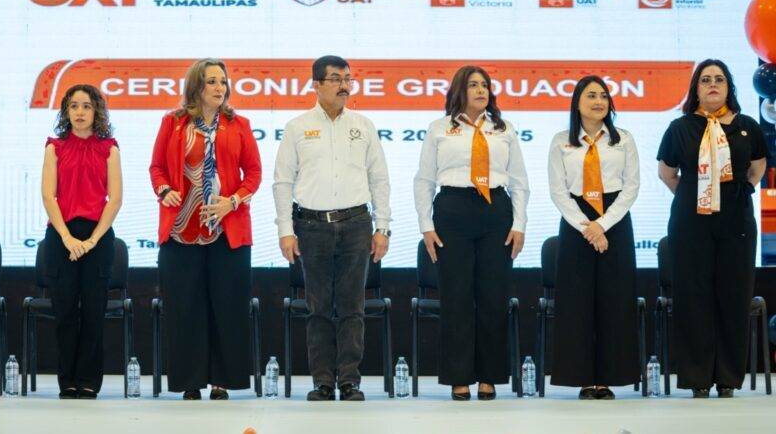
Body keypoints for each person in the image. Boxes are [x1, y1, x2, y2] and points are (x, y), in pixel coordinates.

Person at [273, 54, 391, 402]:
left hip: (356, 224)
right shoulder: (297, 127)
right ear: (317, 84)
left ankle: (350, 380)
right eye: (336, 78)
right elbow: (282, 182)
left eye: (348, 78)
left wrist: (382, 226)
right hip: (311, 226)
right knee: (319, 307)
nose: (344, 85)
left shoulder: (363, 125)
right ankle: (323, 380)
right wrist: (285, 229)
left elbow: (379, 178)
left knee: (353, 307)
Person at [413, 65, 529, 400]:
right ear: (459, 91)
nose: (481, 90)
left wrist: (519, 223)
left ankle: (490, 376)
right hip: (452, 210)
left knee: (493, 297)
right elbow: (424, 180)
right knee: (457, 297)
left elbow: (519, 181)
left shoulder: (504, 129)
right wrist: (426, 225)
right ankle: (458, 376)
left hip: (496, 211)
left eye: (486, 85)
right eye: (474, 85)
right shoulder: (439, 129)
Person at [149, 58, 262, 400]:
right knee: (186, 308)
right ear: (196, 86)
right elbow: (156, 168)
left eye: (223, 82)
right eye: (212, 81)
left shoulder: (238, 124)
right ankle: (190, 381)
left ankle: (222, 381)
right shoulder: (173, 123)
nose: (219, 87)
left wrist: (234, 200)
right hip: (182, 229)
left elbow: (253, 173)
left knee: (226, 307)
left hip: (227, 231)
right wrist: (164, 190)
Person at [657, 59, 767, 398]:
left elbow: (757, 168)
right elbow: (667, 173)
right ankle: (697, 378)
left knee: (733, 298)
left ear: (729, 87)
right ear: (696, 89)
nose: (713, 84)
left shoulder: (748, 125)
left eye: (719, 79)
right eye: (705, 80)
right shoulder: (680, 128)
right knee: (694, 298)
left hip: (736, 222)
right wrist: (699, 195)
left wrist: (726, 196)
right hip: (691, 223)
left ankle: (729, 379)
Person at [547, 75, 640, 399]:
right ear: (577, 103)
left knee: (615, 301)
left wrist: (604, 224)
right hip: (577, 223)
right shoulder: (561, 140)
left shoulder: (623, 139)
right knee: (577, 303)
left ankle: (609, 378)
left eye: (603, 95)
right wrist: (587, 226)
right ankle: (584, 379)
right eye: (591, 95)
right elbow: (558, 191)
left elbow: (631, 187)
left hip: (614, 219)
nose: (599, 101)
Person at [41, 84, 122, 399]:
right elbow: (48, 195)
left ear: (96, 111)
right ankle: (68, 381)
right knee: (64, 312)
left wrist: (90, 241)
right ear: (66, 111)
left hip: (98, 237)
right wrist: (67, 237)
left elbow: (114, 199)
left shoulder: (110, 148)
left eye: (86, 106)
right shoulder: (54, 147)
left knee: (92, 312)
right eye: (73, 106)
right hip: (61, 234)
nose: (79, 112)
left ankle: (88, 380)